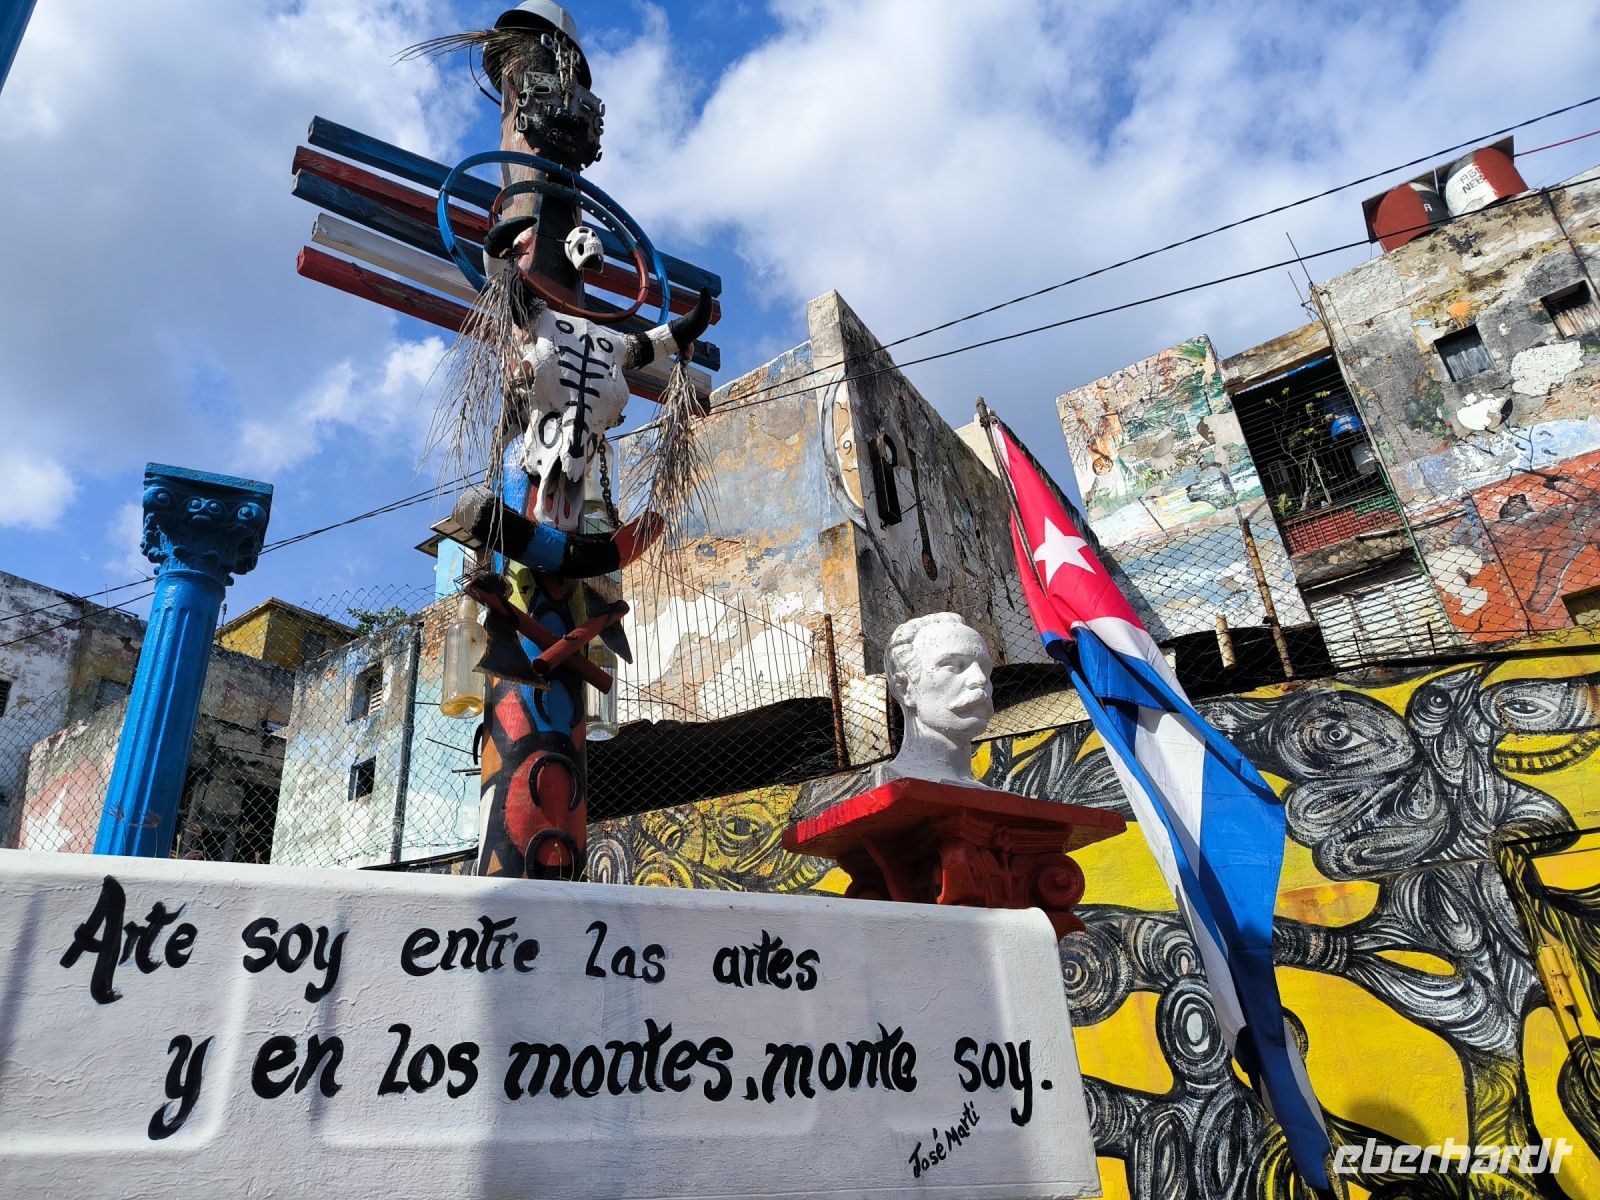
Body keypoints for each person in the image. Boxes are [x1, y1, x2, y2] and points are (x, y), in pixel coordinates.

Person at [874, 612, 995, 788]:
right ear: (904, 688)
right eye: (953, 665)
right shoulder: (896, 782)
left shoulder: (989, 796)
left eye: (985, 668)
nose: (981, 679)